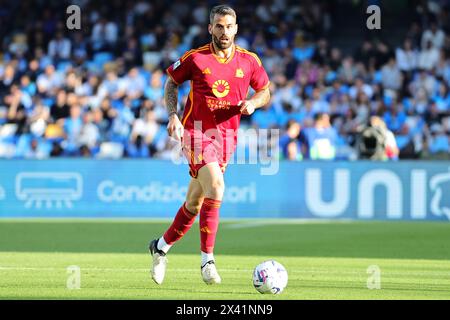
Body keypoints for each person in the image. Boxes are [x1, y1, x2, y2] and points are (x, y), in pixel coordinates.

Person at [148, 5, 270, 285]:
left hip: (226, 138)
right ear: (210, 28)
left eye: (229, 26)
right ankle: (208, 260)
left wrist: (253, 102)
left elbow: (265, 90)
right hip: (196, 132)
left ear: (236, 29)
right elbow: (171, 82)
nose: (224, 31)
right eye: (219, 26)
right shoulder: (196, 58)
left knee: (195, 202)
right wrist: (172, 116)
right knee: (216, 185)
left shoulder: (249, 61)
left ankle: (160, 247)